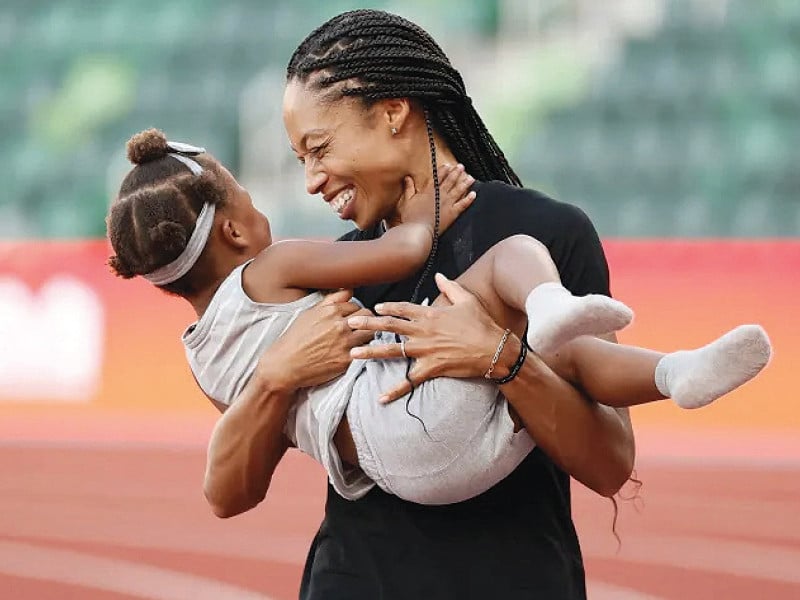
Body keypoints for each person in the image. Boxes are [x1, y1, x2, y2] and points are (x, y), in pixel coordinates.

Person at [200, 9, 767, 599]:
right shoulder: (332, 273)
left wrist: (501, 359)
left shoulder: (545, 234)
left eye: (320, 148)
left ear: (394, 112)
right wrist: (272, 378)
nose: (312, 181)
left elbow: (609, 462)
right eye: (300, 160)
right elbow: (229, 494)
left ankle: (674, 371)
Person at [106, 128, 770, 507]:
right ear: (232, 230)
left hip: (401, 472)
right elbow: (404, 248)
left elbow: (244, 456)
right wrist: (430, 208)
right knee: (514, 266)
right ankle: (561, 308)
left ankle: (677, 372)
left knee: (542, 355)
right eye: (248, 197)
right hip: (404, 406)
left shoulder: (201, 357)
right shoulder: (269, 268)